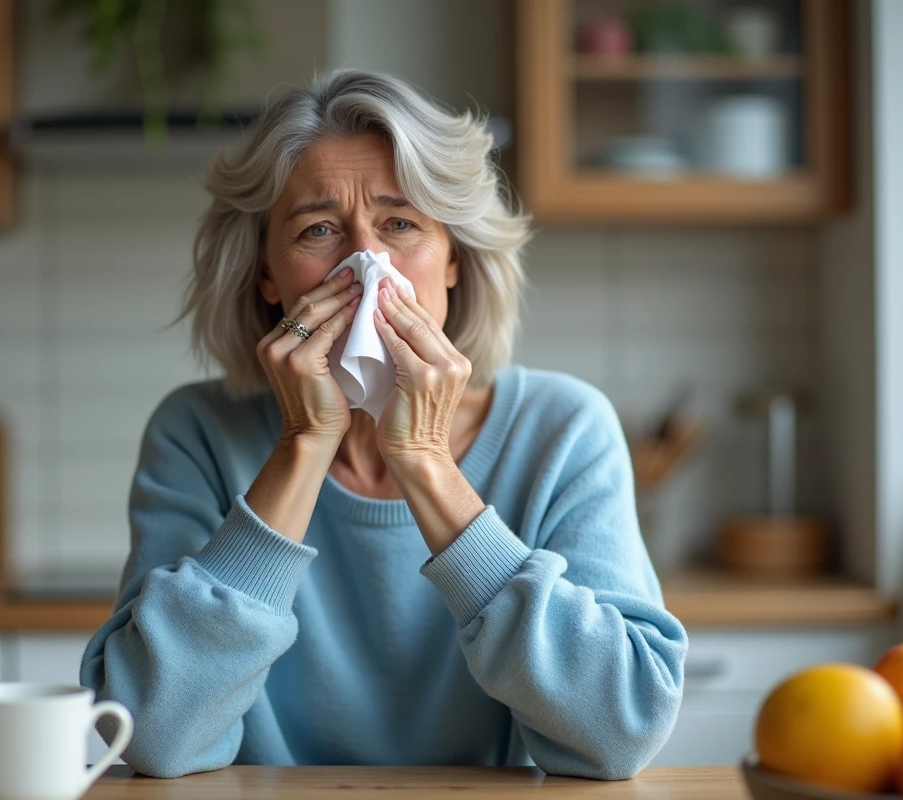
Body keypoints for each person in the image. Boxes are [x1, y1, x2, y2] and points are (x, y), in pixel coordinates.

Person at [80, 69, 687, 780]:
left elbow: (620, 732)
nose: (365, 264)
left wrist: (424, 458)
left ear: (453, 258)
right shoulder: (197, 433)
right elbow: (151, 734)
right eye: (318, 229)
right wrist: (303, 444)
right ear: (267, 274)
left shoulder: (564, 429)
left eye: (400, 224)